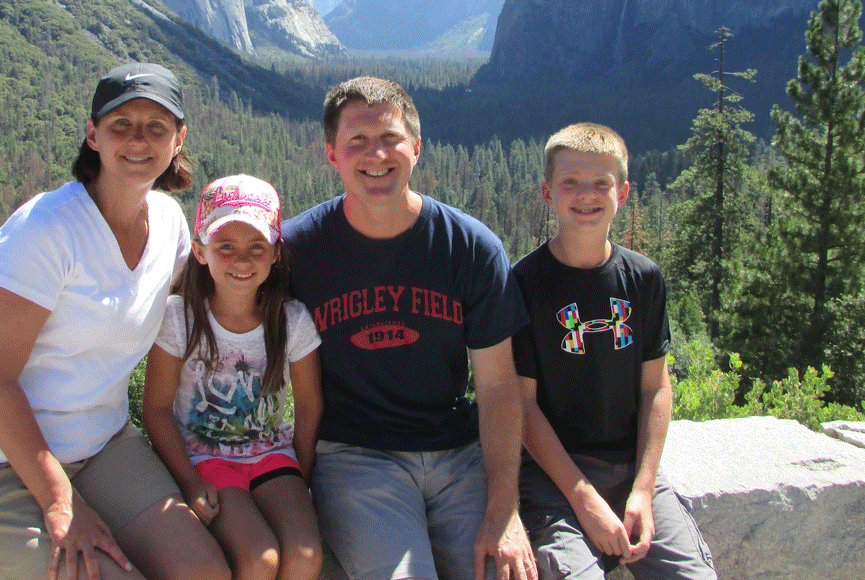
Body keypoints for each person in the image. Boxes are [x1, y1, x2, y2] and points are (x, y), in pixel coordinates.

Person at [0, 62, 230, 580]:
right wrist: (61, 501)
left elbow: (214, 305)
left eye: (156, 127)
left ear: (179, 139)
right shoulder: (44, 230)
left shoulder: (171, 225)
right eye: (120, 125)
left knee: (205, 573)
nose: (138, 140)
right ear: (93, 136)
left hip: (100, 445)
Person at [282, 76, 536, 580]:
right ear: (332, 154)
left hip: (460, 458)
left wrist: (504, 513)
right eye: (357, 140)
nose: (376, 153)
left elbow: (498, 387)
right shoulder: (297, 250)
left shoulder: (471, 248)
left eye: (391, 137)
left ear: (416, 148)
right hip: (356, 457)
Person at [512, 122, 717, 580]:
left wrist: (643, 489)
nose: (586, 195)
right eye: (570, 183)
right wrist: (585, 501)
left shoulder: (644, 279)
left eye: (601, 183)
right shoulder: (525, 284)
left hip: (631, 469)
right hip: (552, 479)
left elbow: (655, 387)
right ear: (548, 193)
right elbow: (521, 406)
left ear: (622, 192)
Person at [143, 174, 324, 580]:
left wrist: (302, 480)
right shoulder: (180, 319)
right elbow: (155, 409)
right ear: (200, 251)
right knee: (259, 560)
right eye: (225, 246)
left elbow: (311, 407)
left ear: (276, 252)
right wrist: (188, 481)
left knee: (306, 556)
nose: (241, 260)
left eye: (256, 246)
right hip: (206, 458)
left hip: (274, 456)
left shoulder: (290, 321)